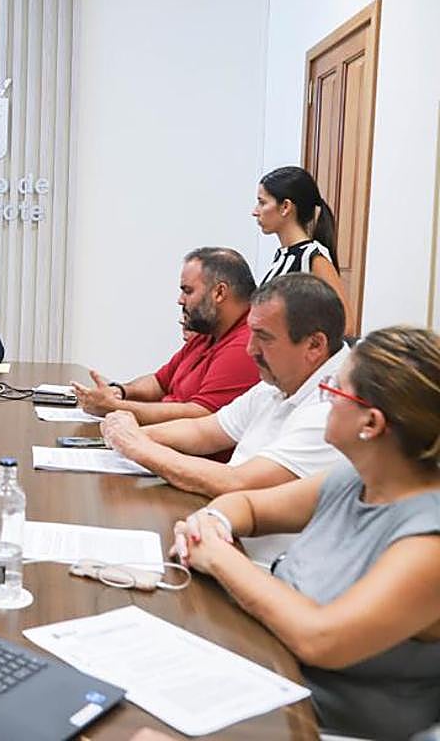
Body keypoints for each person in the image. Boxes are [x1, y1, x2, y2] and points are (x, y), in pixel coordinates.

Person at [172, 326, 440, 740]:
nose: (325, 397)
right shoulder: (355, 478)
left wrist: (220, 557)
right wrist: (214, 523)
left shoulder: (428, 542)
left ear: (371, 423)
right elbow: (248, 506)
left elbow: (322, 638)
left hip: (324, 727)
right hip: (267, 677)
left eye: (336, 389)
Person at [101, 274, 349, 565]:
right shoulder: (283, 378)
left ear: (314, 346)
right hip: (222, 542)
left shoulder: (334, 409)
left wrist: (138, 446)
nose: (250, 349)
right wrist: (129, 433)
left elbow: (239, 483)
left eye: (264, 338)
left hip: (264, 571)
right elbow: (205, 430)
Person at [73, 247, 259, 428]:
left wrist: (116, 408)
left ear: (219, 292)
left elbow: (200, 416)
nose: (180, 300)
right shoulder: (208, 333)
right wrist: (119, 392)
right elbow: (160, 382)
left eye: (188, 291)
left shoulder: (245, 345)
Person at [253, 166, 354, 335]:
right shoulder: (282, 256)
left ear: (285, 207)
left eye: (262, 202)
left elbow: (346, 325)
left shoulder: (312, 256)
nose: (255, 211)